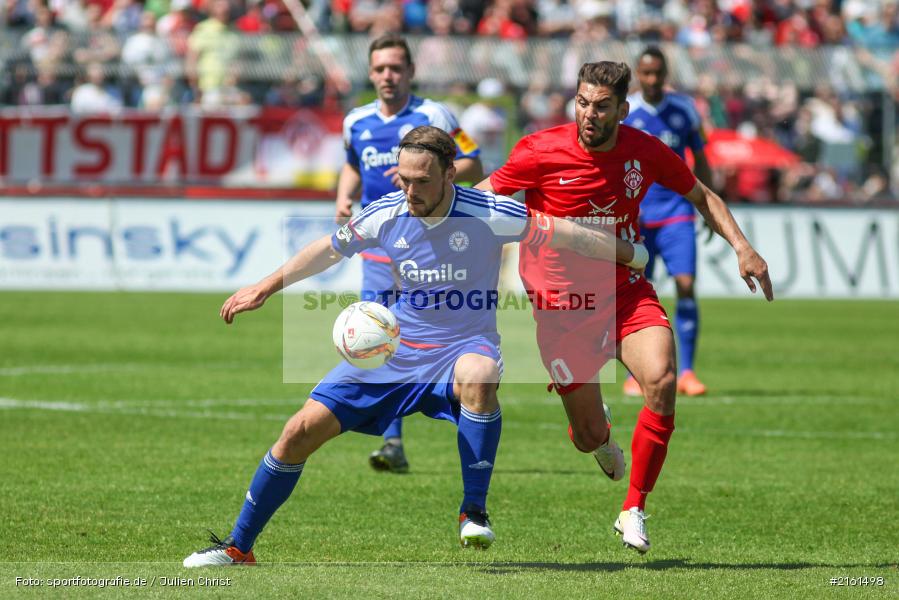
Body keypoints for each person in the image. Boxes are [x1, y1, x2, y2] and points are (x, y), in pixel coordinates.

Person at [182, 126, 648, 566]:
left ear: (450, 173)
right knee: (297, 432)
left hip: (464, 344)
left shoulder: (490, 212)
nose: (410, 191)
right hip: (395, 350)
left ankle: (474, 512)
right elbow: (328, 247)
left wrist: (634, 255)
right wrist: (265, 287)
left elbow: (569, 234)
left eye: (421, 180)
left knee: (480, 376)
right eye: (403, 179)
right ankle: (238, 548)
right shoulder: (387, 211)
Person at [476, 62, 773, 554]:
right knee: (587, 435)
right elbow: (486, 197)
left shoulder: (644, 151)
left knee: (660, 379)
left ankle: (633, 508)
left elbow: (702, 196)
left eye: (601, 106)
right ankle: (601, 435)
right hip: (561, 307)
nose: (589, 115)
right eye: (582, 102)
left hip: (625, 293)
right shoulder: (538, 150)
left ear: (622, 109)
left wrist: (742, 246)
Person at [335, 34, 483, 474]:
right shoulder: (355, 121)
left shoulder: (434, 115)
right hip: (380, 249)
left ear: (411, 71)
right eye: (380, 68)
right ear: (370, 72)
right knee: (382, 339)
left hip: (428, 250)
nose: (387, 76)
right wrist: (345, 199)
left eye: (396, 68)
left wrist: (432, 185)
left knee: (446, 337)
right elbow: (352, 164)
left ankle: (468, 415)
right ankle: (393, 440)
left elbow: (473, 160)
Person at [621, 46, 715, 397]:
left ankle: (687, 371)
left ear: (666, 73)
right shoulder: (626, 113)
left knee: (686, 285)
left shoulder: (684, 110)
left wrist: (708, 206)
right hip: (638, 217)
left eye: (658, 73)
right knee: (636, 294)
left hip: (677, 212)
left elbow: (701, 158)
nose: (652, 80)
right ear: (637, 74)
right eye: (646, 73)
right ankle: (637, 372)